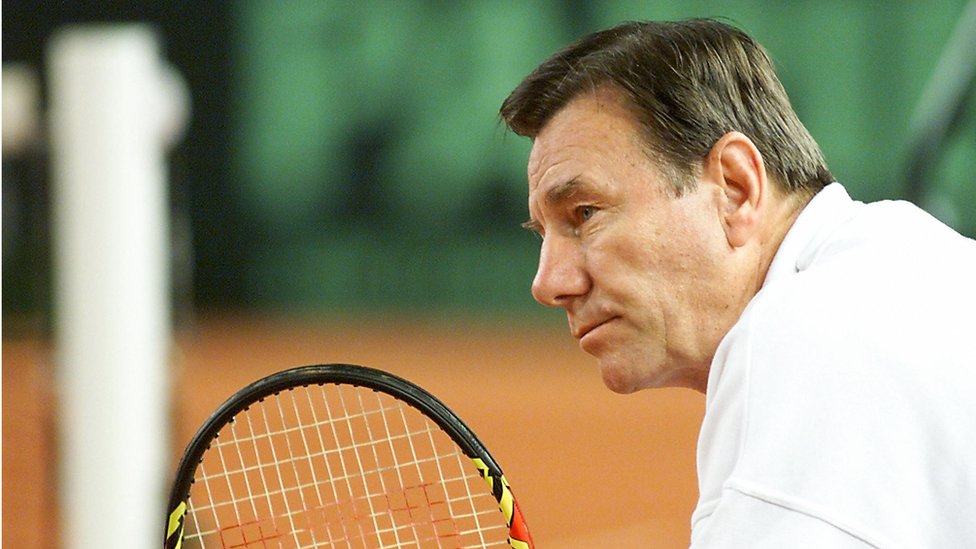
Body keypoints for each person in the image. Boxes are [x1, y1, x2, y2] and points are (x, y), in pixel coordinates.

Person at [500, 18, 976, 547]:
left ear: (734, 187)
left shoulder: (804, 337)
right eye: (543, 234)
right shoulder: (907, 264)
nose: (548, 282)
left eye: (585, 213)